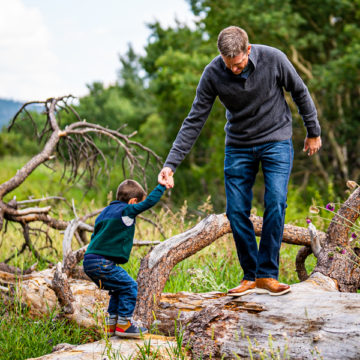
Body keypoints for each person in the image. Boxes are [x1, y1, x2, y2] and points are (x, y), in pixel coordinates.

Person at [158, 26, 321, 296]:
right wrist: (170, 164)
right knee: (236, 211)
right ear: (221, 56)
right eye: (228, 64)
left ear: (248, 49)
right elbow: (195, 119)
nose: (234, 69)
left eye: (239, 63)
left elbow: (300, 92)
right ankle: (250, 276)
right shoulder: (212, 73)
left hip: (275, 140)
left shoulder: (274, 58)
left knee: (275, 202)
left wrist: (313, 131)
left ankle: (267, 274)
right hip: (238, 146)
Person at [83, 180, 166, 337]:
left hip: (89, 261)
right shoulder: (127, 211)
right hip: (102, 262)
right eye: (137, 204)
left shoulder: (104, 212)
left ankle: (111, 325)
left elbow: (96, 236)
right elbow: (149, 202)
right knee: (129, 286)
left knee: (117, 289)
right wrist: (162, 186)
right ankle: (124, 325)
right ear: (133, 201)